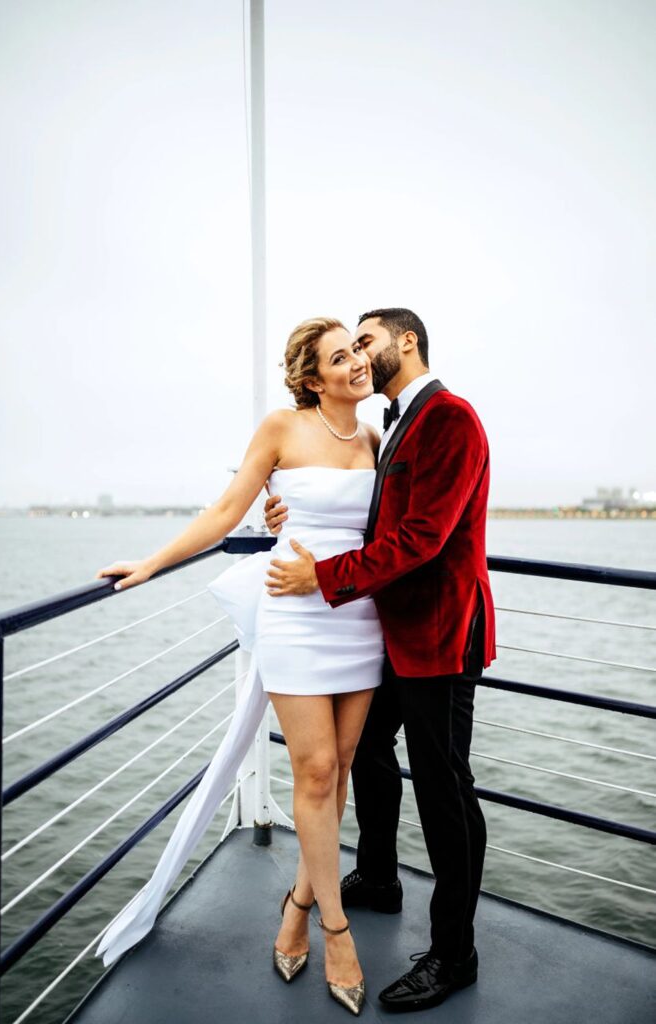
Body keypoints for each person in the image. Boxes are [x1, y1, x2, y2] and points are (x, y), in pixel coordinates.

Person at [93, 317, 387, 1017]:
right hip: (295, 612)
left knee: (341, 767)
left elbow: (387, 533)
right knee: (313, 771)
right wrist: (153, 562)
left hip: (357, 613)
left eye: (357, 351)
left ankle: (296, 903)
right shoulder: (282, 428)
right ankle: (334, 932)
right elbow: (227, 510)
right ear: (313, 378)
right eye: (339, 357)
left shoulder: (377, 439)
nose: (356, 364)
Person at [263, 307, 496, 1013]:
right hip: (389, 633)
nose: (360, 354)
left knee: (444, 788)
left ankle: (454, 954)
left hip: (439, 635)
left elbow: (423, 537)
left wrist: (325, 580)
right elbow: (366, 515)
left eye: (366, 340)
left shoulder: (450, 417)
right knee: (360, 754)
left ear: (406, 340)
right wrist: (284, 515)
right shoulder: (392, 424)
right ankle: (378, 877)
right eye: (349, 346)